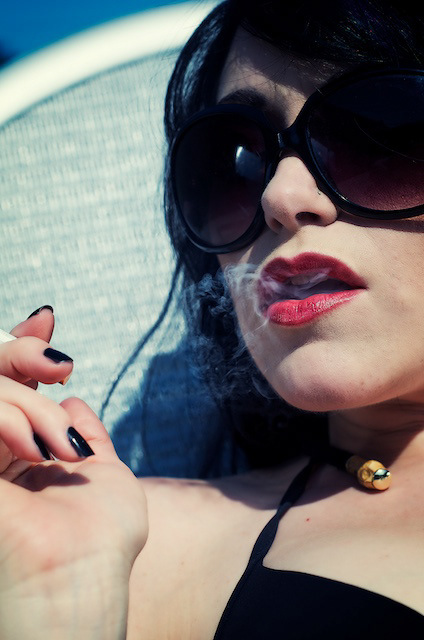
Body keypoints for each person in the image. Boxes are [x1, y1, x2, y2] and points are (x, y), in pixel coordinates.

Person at [1, 0, 424, 637]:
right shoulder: (123, 546)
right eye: (232, 160)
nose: (280, 195)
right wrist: (57, 604)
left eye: (381, 135)